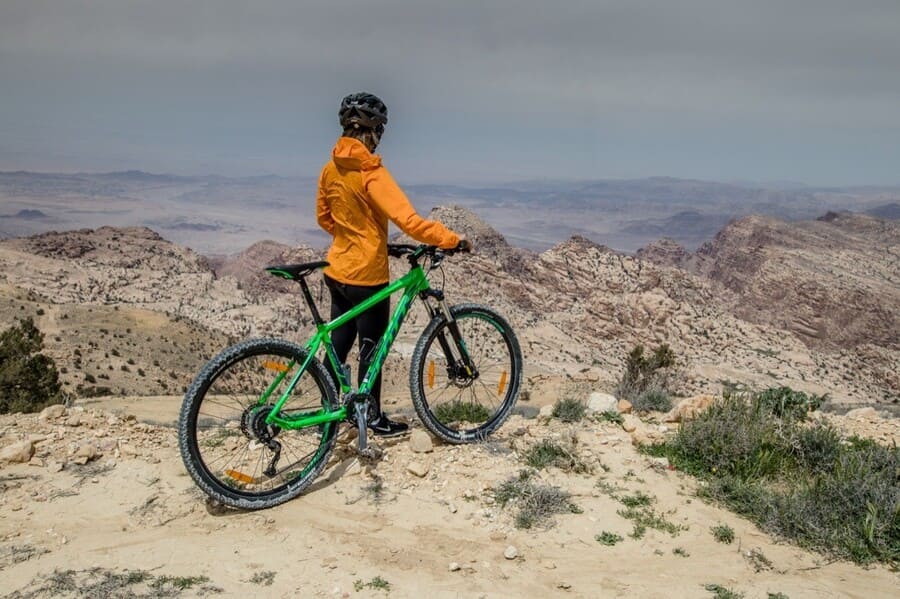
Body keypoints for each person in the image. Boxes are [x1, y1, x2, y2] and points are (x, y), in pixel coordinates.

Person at [316, 92, 466, 437]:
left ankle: (327, 417)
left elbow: (325, 217)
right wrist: (451, 239)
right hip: (367, 274)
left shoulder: (330, 168)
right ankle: (372, 417)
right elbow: (410, 222)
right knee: (372, 347)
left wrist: (356, 234)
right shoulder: (371, 172)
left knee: (338, 343)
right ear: (375, 132)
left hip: (337, 269)